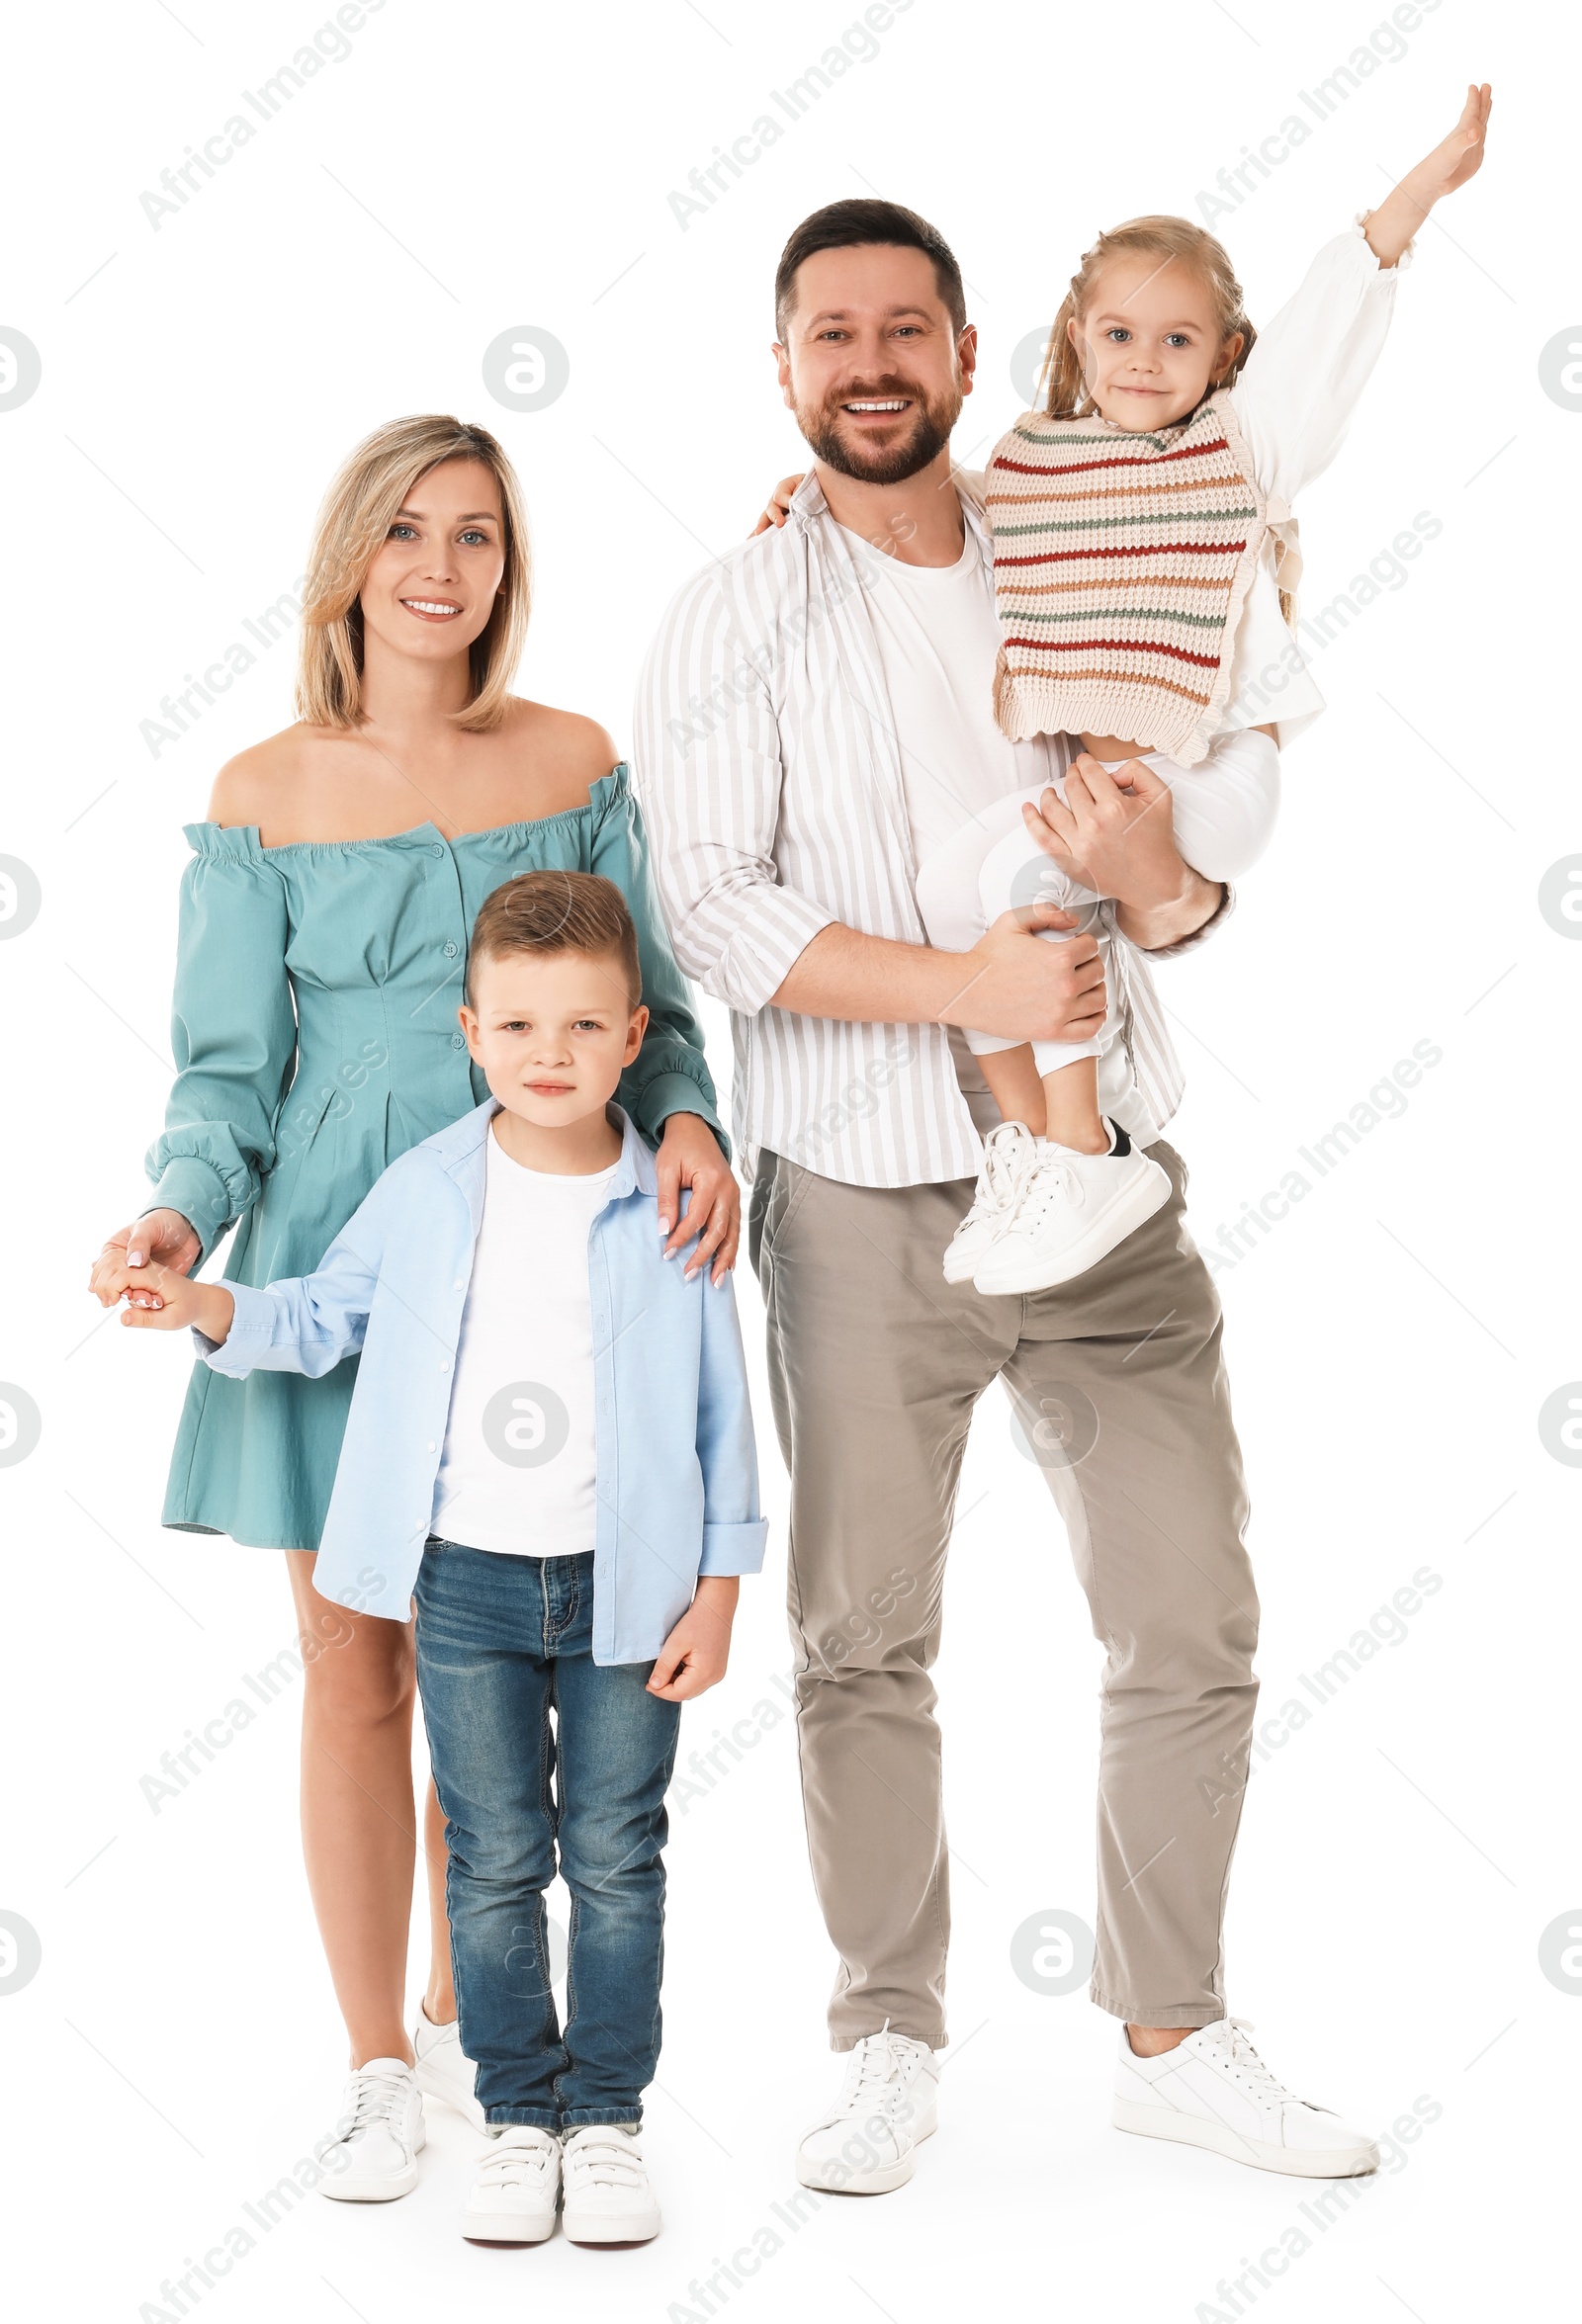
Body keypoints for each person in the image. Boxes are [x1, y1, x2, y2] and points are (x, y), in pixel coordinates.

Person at [633, 195, 1390, 2193]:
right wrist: (961, 986)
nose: (868, 362)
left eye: (906, 326)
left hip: (1101, 1178)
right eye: (828, 333)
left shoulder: (1079, 534)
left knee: (1187, 1611)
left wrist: (1158, 880)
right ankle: (884, 2034)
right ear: (782, 369)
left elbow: (1177, 875)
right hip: (862, 1196)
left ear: (974, 357)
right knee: (861, 1636)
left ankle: (1170, 2027)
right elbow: (710, 903)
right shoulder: (732, 606)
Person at [86, 416, 739, 2190]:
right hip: (334, 1246)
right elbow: (225, 1081)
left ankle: (493, 2016)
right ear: (351, 563)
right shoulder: (260, 794)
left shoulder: (574, 754)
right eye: (407, 534)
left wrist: (684, 1122)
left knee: (525, 1652)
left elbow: (653, 1004)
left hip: (557, 1235)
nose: (442, 568)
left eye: (476, 535)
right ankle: (383, 2057)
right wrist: (174, 1218)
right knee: (356, 1656)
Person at [103, 871, 766, 2245]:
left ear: (634, 1035)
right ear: (471, 1030)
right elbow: (325, 1311)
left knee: (618, 1852)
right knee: (494, 1853)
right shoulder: (426, 1189)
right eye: (519, 1025)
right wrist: (205, 1302)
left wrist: (720, 1579)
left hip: (627, 1588)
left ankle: (610, 2118)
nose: (549, 1055)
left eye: (582, 1028)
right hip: (462, 1579)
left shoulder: (669, 1206)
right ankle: (519, 2115)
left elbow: (721, 1409)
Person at [761, 87, 1493, 1297]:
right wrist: (797, 502)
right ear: (1074, 342)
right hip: (1118, 777)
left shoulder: (1237, 447)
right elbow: (926, 501)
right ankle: (1029, 1153)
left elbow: (1330, 322)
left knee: (1014, 882)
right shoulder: (1040, 468)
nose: (1146, 363)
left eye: (1178, 340)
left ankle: (1082, 1143)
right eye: (1118, 337)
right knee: (952, 882)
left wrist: (1410, 199)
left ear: (1226, 358)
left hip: (1214, 770)